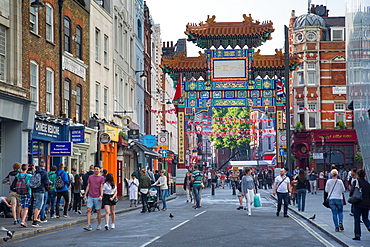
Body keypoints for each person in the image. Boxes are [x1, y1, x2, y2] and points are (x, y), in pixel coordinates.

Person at [83, 165, 105, 231]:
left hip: (97, 196)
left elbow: (101, 187)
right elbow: (88, 185)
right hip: (90, 195)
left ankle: (99, 224)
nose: (96, 170)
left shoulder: (101, 178)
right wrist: (85, 194)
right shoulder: (90, 177)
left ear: (100, 170)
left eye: (97, 169)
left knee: (98, 211)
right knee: (89, 210)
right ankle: (89, 225)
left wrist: (101, 195)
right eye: (95, 169)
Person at [351, 169, 370, 241]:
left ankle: (357, 235)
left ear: (358, 174)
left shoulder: (356, 181)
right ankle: (369, 226)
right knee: (365, 218)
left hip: (357, 203)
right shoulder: (367, 183)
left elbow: (352, 191)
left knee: (357, 219)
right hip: (366, 203)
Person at [30, 161, 50, 227]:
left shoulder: (35, 172)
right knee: (38, 205)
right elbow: (46, 182)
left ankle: (36, 218)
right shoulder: (44, 173)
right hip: (40, 190)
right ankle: (35, 221)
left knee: (35, 204)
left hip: (34, 190)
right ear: (44, 166)